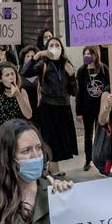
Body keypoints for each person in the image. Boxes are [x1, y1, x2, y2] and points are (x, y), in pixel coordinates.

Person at [26, 37, 79, 171]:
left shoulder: (66, 64)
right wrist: (37, 56)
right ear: (47, 48)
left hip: (64, 108)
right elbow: (25, 72)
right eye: (51, 45)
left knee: (61, 142)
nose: (55, 47)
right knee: (49, 140)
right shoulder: (43, 63)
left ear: (61, 48)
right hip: (48, 107)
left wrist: (72, 76)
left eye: (57, 45)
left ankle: (52, 168)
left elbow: (74, 92)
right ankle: (53, 170)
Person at [75, 46, 108, 171]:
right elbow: (80, 93)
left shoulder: (103, 69)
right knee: (88, 136)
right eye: (85, 53)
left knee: (101, 135)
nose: (87, 55)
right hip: (87, 108)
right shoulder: (81, 71)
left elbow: (109, 85)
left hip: (101, 108)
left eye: (90, 53)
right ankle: (88, 159)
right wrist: (79, 112)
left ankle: (102, 160)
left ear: (95, 55)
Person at [0, 62, 34, 136]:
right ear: (0, 79)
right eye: (7, 75)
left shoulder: (22, 92)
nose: (11, 77)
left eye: (13, 74)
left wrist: (18, 95)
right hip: (1, 136)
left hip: (19, 134)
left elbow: (28, 115)